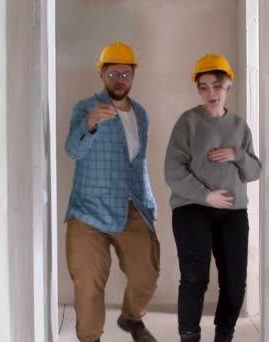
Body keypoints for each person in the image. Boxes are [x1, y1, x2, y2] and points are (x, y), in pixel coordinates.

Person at [64, 42, 160, 342]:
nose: (120, 79)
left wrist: (147, 202)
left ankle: (132, 318)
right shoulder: (85, 108)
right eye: (114, 72)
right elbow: (72, 150)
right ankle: (90, 339)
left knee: (147, 274)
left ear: (133, 76)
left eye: (126, 73)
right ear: (102, 74)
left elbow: (138, 163)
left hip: (131, 207)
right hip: (88, 211)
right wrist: (90, 124)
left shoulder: (141, 114)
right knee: (88, 283)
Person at [164, 54, 262, 342]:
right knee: (195, 278)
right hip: (192, 208)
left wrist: (237, 155)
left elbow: (255, 170)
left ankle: (224, 336)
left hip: (232, 212)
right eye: (203, 86)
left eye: (216, 86)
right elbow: (172, 170)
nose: (210, 93)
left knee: (234, 283)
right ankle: (190, 337)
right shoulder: (188, 122)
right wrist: (205, 195)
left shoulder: (239, 126)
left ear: (228, 86)